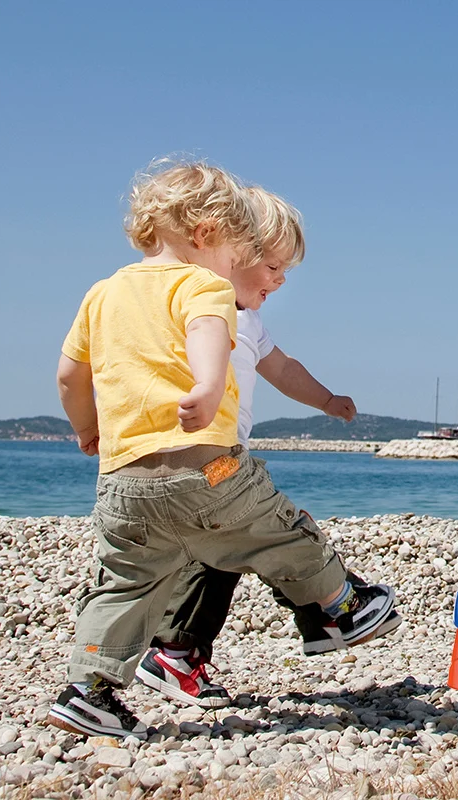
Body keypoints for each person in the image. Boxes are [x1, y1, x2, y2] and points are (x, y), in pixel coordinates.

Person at [47, 162, 396, 739]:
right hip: (207, 468)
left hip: (123, 482)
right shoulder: (203, 286)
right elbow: (207, 333)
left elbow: (68, 375)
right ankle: (341, 605)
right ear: (207, 233)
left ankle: (89, 690)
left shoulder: (101, 294)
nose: (237, 266)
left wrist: (87, 427)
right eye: (238, 253)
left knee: (127, 584)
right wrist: (208, 387)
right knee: (281, 533)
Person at [136, 187, 401, 709]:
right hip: (198, 459)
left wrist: (326, 400)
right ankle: (332, 608)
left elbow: (282, 369)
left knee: (228, 552)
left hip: (221, 462)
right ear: (228, 253)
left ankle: (179, 652)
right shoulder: (198, 306)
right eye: (273, 267)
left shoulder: (248, 321)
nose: (280, 281)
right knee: (274, 532)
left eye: (285, 271)